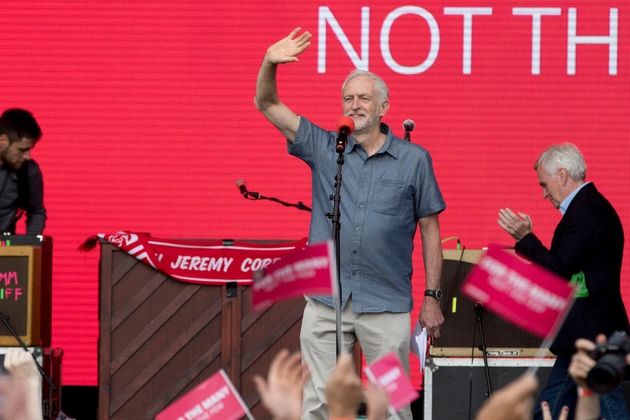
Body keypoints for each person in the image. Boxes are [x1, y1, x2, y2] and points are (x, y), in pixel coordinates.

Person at [255, 27, 446, 419]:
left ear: (384, 107)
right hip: (327, 304)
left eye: (363, 98)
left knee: (390, 408)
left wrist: (432, 296)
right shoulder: (327, 148)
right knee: (319, 406)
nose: (354, 104)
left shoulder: (414, 160)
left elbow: (430, 229)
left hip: (387, 306)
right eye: (348, 98)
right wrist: (269, 62)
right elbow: (267, 103)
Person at [497, 143, 630, 419]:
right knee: (551, 407)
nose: (544, 194)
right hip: (583, 337)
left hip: (593, 338)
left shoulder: (586, 211)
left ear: (562, 174)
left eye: (544, 184)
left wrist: (526, 239)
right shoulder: (589, 207)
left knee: (605, 410)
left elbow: (560, 269)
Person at [0, 108, 45, 235]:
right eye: (21, 150)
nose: (27, 156)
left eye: (30, 149)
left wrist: (30, 245)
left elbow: (36, 212)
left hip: (4, 249)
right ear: (3, 141)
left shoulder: (29, 171)